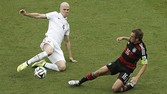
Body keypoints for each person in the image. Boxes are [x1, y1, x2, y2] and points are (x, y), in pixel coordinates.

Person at [68, 29, 148, 93]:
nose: (130, 38)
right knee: (98, 72)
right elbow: (130, 39)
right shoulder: (132, 40)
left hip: (127, 69)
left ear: (137, 39)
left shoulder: (142, 49)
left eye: (131, 37)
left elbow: (145, 64)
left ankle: (130, 85)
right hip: (118, 62)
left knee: (115, 89)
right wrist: (123, 38)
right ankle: (79, 82)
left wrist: (137, 77)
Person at [17, 2, 77, 72]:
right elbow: (39, 15)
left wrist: (70, 56)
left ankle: (43, 64)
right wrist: (26, 14)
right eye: (64, 9)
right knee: (49, 51)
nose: (66, 11)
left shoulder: (67, 25)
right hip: (49, 40)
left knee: (62, 67)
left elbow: (67, 41)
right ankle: (27, 63)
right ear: (60, 9)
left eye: (68, 10)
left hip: (57, 47)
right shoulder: (54, 15)